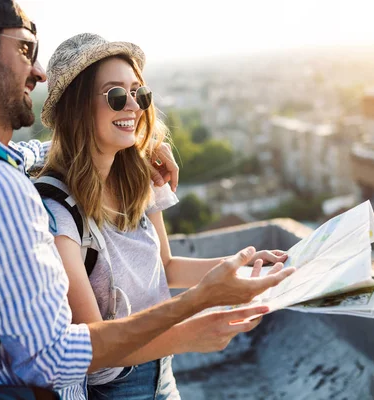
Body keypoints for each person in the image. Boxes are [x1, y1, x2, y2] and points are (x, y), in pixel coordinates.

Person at [0, 1, 294, 399]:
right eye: (24, 49)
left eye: (139, 94)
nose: (37, 72)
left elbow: (38, 153)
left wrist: (133, 140)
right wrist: (196, 310)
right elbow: (54, 357)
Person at [38, 33, 290, 399]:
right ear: (77, 107)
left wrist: (245, 267)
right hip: (117, 389)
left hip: (164, 373)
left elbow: (166, 267)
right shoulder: (56, 212)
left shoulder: (139, 177)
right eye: (116, 95)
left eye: (139, 93)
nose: (133, 107)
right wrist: (191, 333)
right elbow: (95, 352)